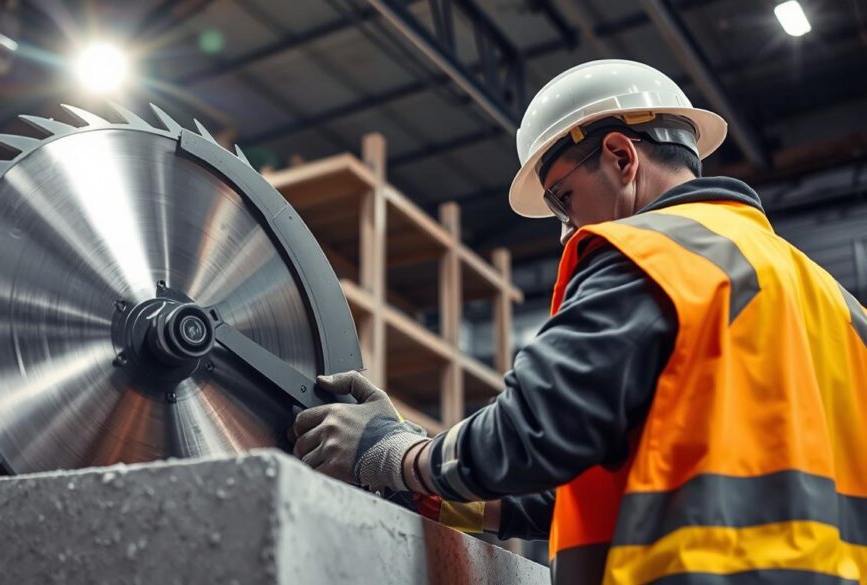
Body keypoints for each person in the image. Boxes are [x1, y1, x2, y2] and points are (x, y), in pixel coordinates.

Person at [290, 59, 867, 584]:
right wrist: (421, 478)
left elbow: (532, 433)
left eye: (563, 198)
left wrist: (387, 453)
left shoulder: (655, 252)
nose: (566, 230)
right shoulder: (837, 303)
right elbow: (573, 476)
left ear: (621, 157)